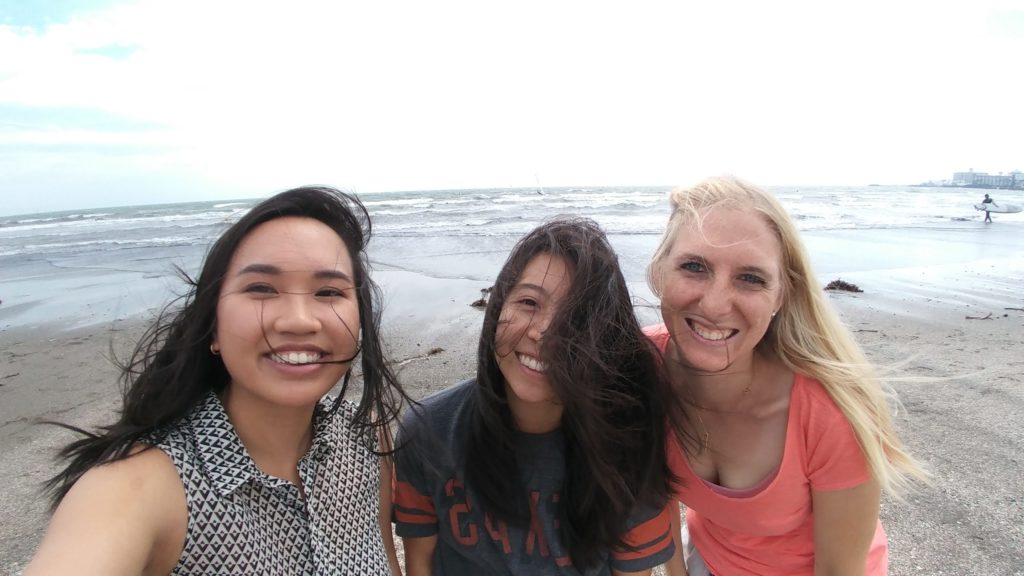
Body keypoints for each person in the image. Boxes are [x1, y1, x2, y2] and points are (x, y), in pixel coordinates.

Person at [27, 186, 409, 575]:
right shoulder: (139, 486)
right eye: (261, 288)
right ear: (213, 325)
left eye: (328, 291)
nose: (298, 320)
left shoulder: (364, 436)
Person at [646, 176, 928, 576]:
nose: (714, 305)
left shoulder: (831, 413)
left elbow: (838, 570)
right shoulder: (639, 368)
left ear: (780, 296)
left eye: (750, 278)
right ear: (659, 271)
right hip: (708, 557)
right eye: (694, 267)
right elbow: (654, 499)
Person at [393, 218, 680, 575]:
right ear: (498, 307)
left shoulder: (628, 443)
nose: (544, 332)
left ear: (606, 339)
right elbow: (419, 562)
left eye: (577, 317)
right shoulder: (429, 429)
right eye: (529, 302)